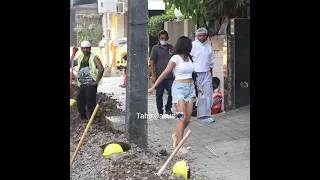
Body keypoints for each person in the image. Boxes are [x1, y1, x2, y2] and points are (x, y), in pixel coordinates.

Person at [148, 36, 195, 154]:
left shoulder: (189, 58)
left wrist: (198, 87)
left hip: (190, 88)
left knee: (188, 119)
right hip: (179, 88)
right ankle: (178, 146)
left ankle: (176, 135)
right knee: (181, 118)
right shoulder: (175, 58)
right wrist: (153, 87)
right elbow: (165, 73)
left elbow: (192, 75)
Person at [70, 41, 104, 120]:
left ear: (90, 48)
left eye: (87, 48)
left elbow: (101, 69)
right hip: (82, 84)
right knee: (80, 101)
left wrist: (96, 82)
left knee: (90, 101)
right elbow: (71, 63)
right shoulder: (81, 57)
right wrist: (73, 53)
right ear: (81, 49)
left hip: (90, 84)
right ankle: (84, 118)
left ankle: (93, 118)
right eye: (84, 48)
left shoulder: (94, 57)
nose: (85, 50)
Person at [190, 28, 214, 122]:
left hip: (207, 73)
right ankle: (198, 114)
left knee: (207, 93)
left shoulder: (209, 46)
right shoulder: (192, 45)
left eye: (204, 35)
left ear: (206, 36)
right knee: (198, 94)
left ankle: (206, 115)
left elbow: (211, 61)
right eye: (200, 35)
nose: (202, 37)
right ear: (196, 36)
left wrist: (211, 74)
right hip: (196, 73)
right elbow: (189, 58)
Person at [149, 30, 174, 115]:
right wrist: (153, 75)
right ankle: (160, 111)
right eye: (162, 38)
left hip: (170, 76)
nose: (164, 40)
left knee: (172, 91)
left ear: (168, 38)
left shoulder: (171, 47)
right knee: (159, 94)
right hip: (159, 76)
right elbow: (152, 62)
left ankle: (168, 108)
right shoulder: (155, 48)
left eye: (165, 38)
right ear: (159, 39)